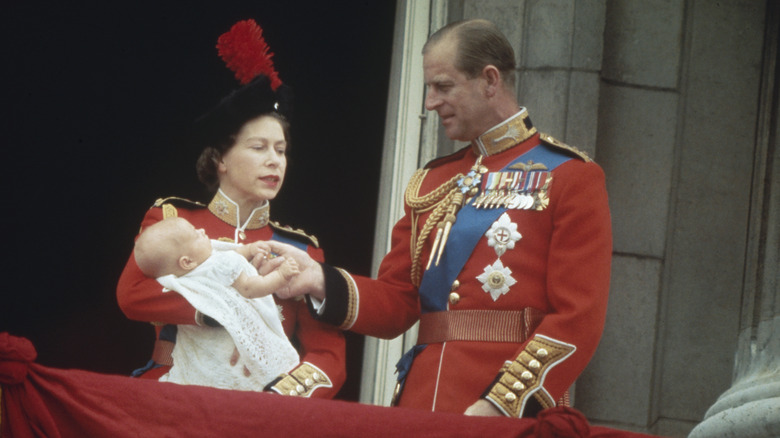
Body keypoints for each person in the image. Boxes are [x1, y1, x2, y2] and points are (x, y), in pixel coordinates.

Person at [267, 19, 612, 417]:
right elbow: (398, 302)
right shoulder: (435, 180)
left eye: (443, 86)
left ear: (489, 80)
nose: (429, 102)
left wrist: (500, 404)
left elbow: (577, 318)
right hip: (421, 403)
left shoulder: (569, 176)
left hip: (506, 411)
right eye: (429, 88)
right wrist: (317, 279)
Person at [116, 19, 346, 399]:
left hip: (263, 405)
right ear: (220, 159)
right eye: (259, 148)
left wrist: (280, 398)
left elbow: (327, 353)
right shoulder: (173, 219)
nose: (274, 161)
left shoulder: (301, 249)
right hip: (174, 393)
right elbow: (132, 294)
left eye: (281, 150)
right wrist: (216, 311)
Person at [133, 216, 301, 391]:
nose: (202, 230)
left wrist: (249, 249)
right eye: (196, 234)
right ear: (187, 262)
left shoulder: (173, 278)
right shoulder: (222, 264)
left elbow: (223, 260)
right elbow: (249, 288)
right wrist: (281, 276)